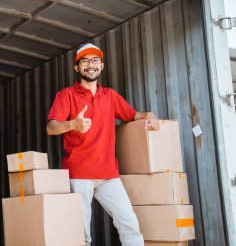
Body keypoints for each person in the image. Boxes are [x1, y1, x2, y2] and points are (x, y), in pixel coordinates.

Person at [46, 43, 160, 246]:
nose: (90, 65)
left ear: (102, 66)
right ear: (76, 67)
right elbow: (51, 127)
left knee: (129, 224)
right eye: (85, 61)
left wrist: (149, 115)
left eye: (95, 60)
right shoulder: (66, 95)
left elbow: (132, 115)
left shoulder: (109, 96)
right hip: (79, 174)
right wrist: (73, 124)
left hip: (108, 175)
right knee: (81, 236)